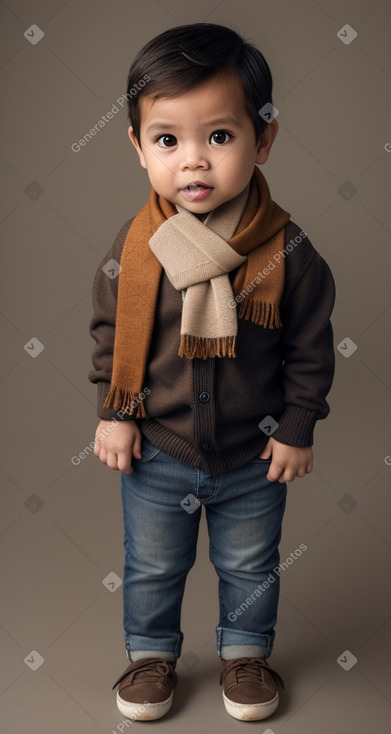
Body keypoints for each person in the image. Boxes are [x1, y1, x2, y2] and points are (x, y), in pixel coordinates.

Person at [88, 22, 336, 723]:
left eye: (219, 138)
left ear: (263, 139)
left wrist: (294, 428)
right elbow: (110, 333)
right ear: (138, 147)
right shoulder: (136, 249)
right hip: (159, 447)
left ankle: (246, 654)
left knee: (251, 565)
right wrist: (115, 412)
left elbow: (311, 348)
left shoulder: (286, 250)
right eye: (168, 140)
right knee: (153, 564)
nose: (192, 161)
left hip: (251, 452)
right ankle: (149, 657)